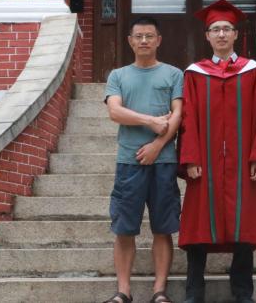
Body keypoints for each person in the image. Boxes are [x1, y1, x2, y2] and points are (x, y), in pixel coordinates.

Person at [178, 0, 256, 302]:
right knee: (199, 224)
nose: (221, 34)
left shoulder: (254, 71)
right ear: (207, 36)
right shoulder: (195, 73)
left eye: (226, 29)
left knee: (243, 224)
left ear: (235, 34)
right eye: (215, 29)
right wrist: (191, 158)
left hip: (242, 162)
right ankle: (194, 292)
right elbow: (188, 118)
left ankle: (243, 292)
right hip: (205, 162)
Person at [103, 16, 183, 303]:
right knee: (124, 229)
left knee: (163, 228)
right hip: (129, 162)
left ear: (159, 40)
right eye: (139, 36)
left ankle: (159, 291)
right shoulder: (118, 76)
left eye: (150, 36)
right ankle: (123, 291)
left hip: (164, 162)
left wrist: (157, 145)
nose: (144, 41)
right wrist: (151, 121)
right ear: (130, 41)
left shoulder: (174, 74)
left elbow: (177, 115)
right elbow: (115, 112)